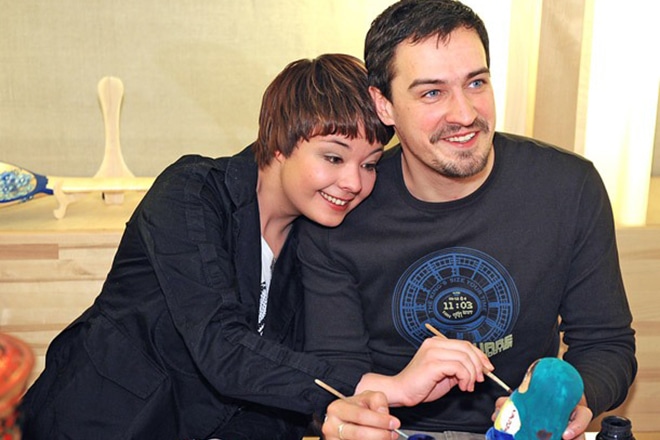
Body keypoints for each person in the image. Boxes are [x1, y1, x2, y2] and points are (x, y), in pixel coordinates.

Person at [19, 53, 405, 440]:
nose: (354, 182)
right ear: (279, 143)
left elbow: (277, 395)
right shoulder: (191, 193)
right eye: (334, 157)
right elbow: (221, 346)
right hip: (93, 423)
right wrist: (379, 387)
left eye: (369, 164)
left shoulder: (314, 243)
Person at [299, 1, 637, 439]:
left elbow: (606, 344)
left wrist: (571, 399)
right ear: (384, 105)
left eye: (476, 83)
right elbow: (331, 375)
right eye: (432, 93)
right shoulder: (343, 205)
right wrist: (353, 419)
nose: (463, 114)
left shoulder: (567, 186)